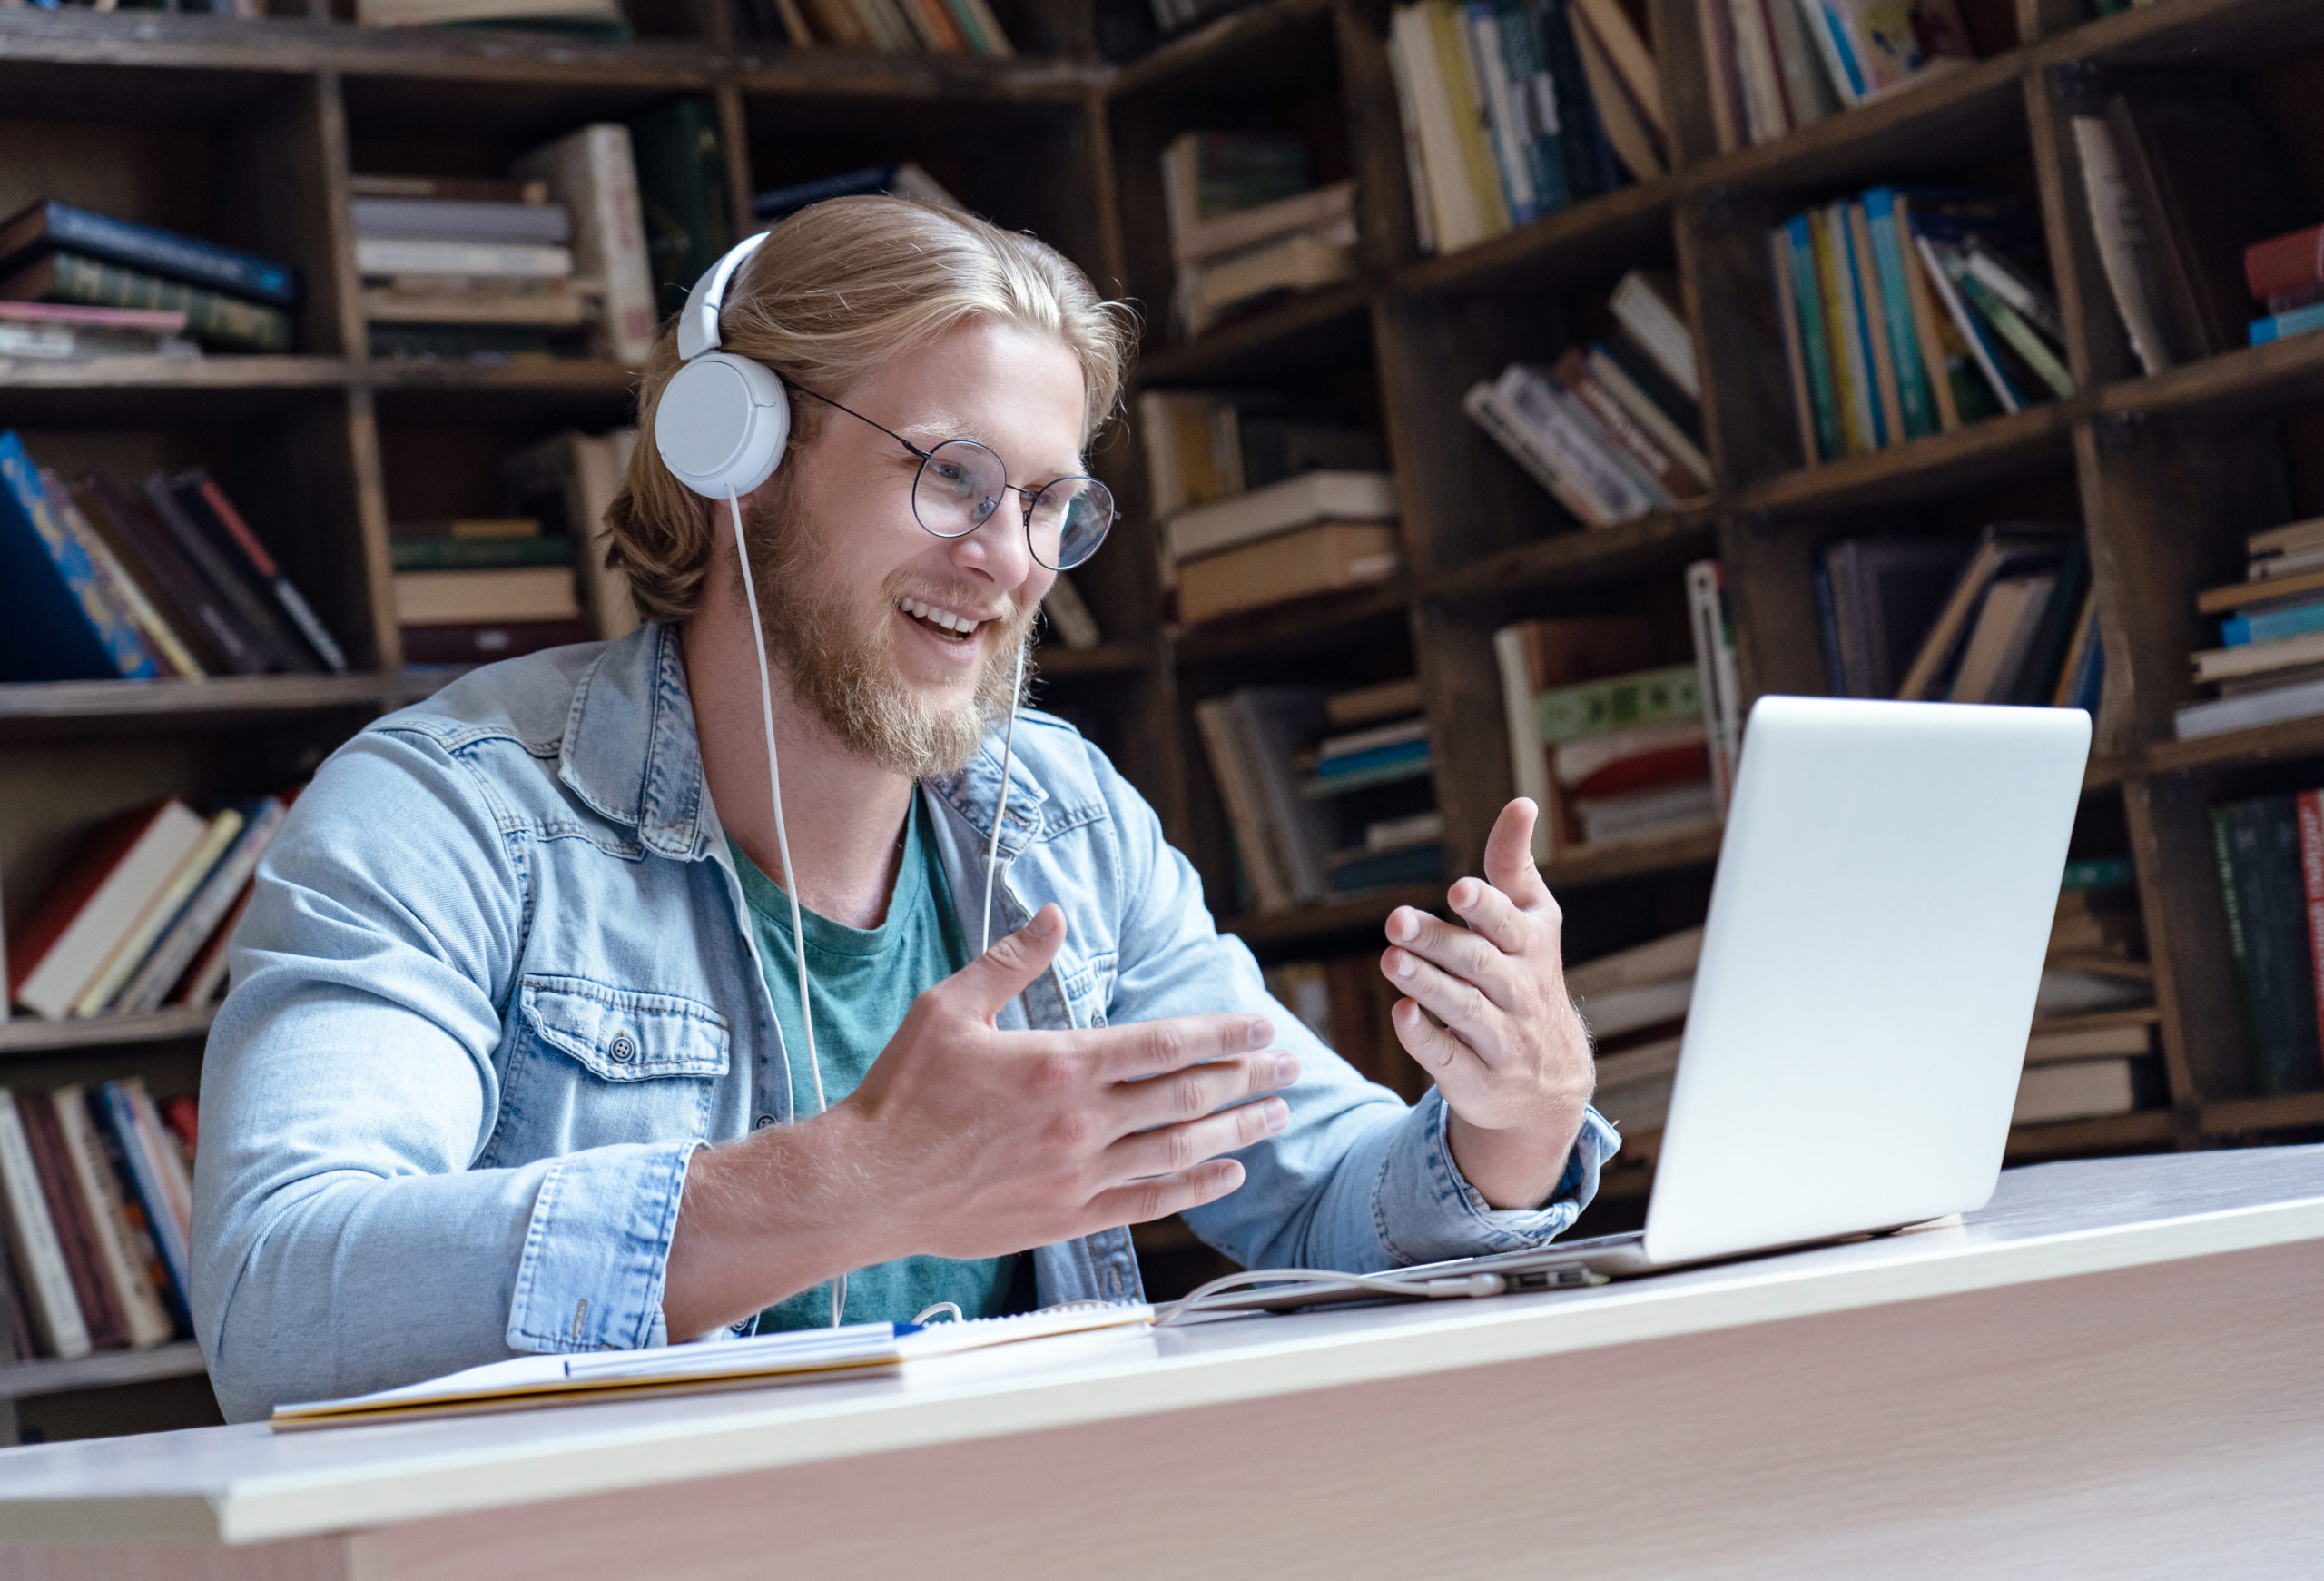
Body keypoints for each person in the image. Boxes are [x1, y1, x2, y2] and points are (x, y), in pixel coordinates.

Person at [192, 197, 1617, 1423]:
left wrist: (1513, 1123)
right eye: (953, 477)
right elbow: (284, 1293)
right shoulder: (447, 816)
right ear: (736, 456)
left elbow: (1316, 1199)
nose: (1009, 561)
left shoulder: (1063, 820)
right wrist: (847, 1183)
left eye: (1052, 503)